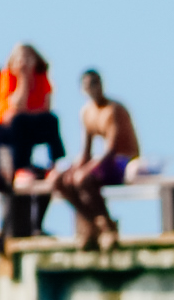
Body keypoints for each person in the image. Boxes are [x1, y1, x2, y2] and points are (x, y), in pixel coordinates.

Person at [0, 46, 61, 258]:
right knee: (20, 121)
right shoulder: (8, 77)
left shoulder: (42, 77)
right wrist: (23, 79)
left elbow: (46, 108)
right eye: (20, 58)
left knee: (51, 121)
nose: (24, 62)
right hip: (4, 128)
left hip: (28, 126)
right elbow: (16, 108)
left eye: (28, 57)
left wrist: (33, 79)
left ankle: (57, 163)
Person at [52, 68, 140, 246]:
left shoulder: (114, 109)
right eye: (89, 85)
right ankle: (91, 222)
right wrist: (73, 169)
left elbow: (112, 149)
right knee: (60, 181)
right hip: (103, 161)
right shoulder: (86, 112)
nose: (93, 88)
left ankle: (107, 224)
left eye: (95, 83)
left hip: (123, 160)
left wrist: (85, 170)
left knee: (84, 179)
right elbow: (85, 151)